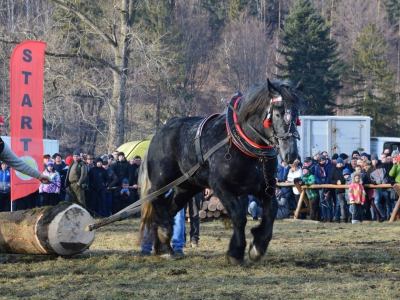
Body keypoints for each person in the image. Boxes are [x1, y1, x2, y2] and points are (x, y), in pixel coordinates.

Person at [0, 115, 50, 185]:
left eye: (2, 126)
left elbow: (18, 163)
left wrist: (39, 175)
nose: (1, 129)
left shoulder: (1, 145)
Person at [140, 189, 185, 257]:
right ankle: (146, 247)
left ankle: (177, 247)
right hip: (164, 186)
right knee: (149, 215)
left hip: (174, 187)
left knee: (178, 218)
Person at [330, 157, 349, 223]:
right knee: (338, 204)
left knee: (347, 204)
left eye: (341, 163)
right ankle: (337, 218)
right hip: (338, 190)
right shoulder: (334, 170)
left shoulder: (346, 169)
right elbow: (331, 180)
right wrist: (336, 182)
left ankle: (347, 217)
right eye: (338, 163)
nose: (340, 164)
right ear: (336, 164)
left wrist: (342, 181)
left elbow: (348, 178)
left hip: (346, 190)